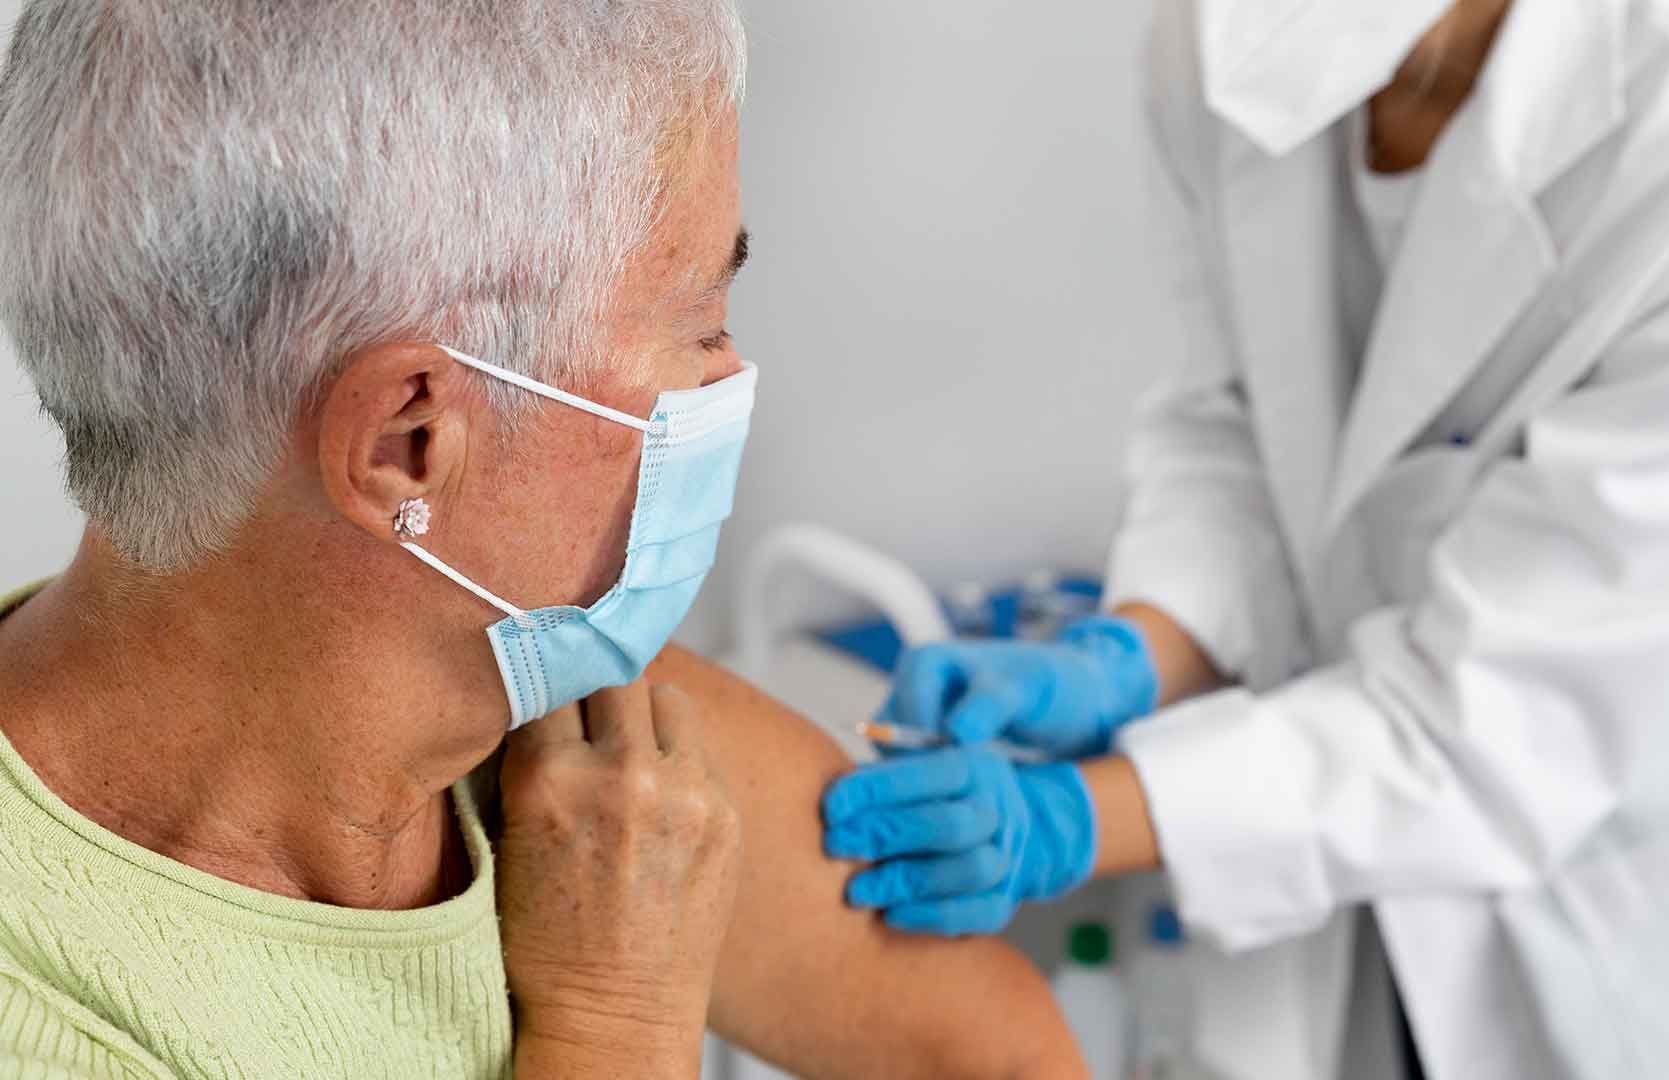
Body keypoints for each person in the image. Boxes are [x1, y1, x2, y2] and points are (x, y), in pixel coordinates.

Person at [823, 0, 1669, 1077]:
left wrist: (1067, 821)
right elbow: (1241, 430)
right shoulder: (1222, 46)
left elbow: (1496, 725)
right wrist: (1134, 653)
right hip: (1388, 875)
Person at [0, 2, 1085, 1077]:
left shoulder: (555, 700)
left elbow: (999, 1053)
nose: (729, 379)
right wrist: (617, 1022)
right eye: (700, 326)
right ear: (409, 442)